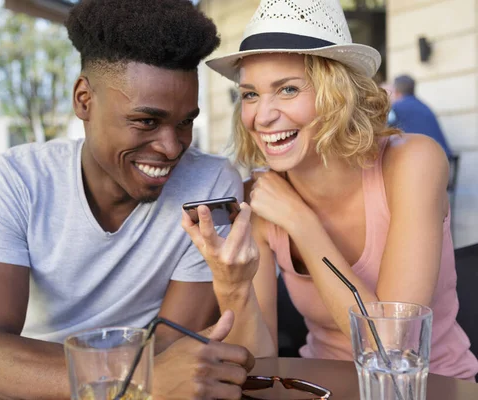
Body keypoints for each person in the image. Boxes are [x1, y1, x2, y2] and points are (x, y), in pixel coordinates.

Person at [0, 1, 254, 399]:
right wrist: (138, 378)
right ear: (84, 99)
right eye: (146, 121)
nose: (171, 147)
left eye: (185, 122)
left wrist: (144, 380)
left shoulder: (209, 184)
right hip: (22, 388)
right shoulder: (21, 178)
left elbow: (172, 349)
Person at [184, 0, 478, 381]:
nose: (262, 115)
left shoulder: (413, 162)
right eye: (251, 94)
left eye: (288, 89)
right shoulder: (261, 196)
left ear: (337, 94)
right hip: (317, 388)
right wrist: (231, 284)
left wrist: (301, 223)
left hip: (428, 389)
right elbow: (256, 367)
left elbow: (389, 349)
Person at [389, 74, 453, 157]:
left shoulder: (396, 108)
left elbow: (380, 130)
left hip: (424, 159)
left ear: (396, 91)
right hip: (444, 156)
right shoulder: (424, 106)